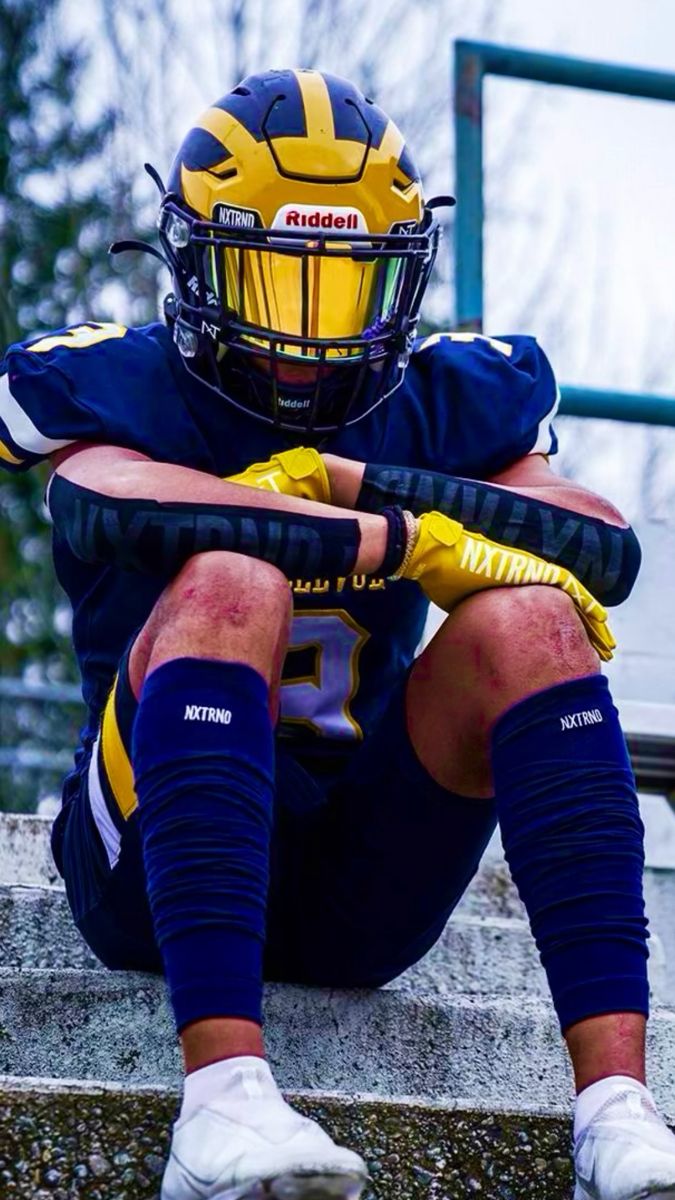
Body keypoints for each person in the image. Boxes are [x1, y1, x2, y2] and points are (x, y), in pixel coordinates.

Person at [0, 67, 670, 1200]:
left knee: (534, 615)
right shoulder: (116, 383)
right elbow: (109, 501)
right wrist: (393, 534)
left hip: (366, 872)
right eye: (272, 277)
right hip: (145, 869)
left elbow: (597, 541)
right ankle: (219, 1107)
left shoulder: (453, 393)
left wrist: (351, 481)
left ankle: (619, 1111)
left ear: (398, 283)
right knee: (233, 579)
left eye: (344, 290)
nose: (306, 332)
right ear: (198, 264)